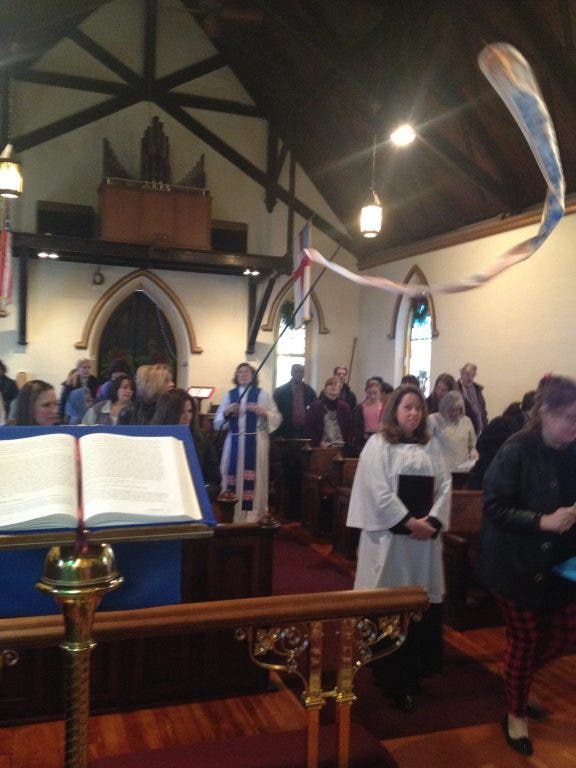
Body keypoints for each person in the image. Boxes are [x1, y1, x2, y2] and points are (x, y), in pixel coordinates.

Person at [478, 375, 576, 756]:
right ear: (546, 412)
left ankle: (516, 679)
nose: (574, 428)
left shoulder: (572, 449)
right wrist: (541, 521)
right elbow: (494, 506)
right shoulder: (517, 448)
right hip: (515, 563)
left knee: (565, 633)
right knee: (525, 641)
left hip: (561, 561)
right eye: (569, 419)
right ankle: (515, 714)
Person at [346, 384, 451, 712]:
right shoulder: (378, 445)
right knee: (390, 604)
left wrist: (432, 521)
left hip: (422, 545)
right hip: (390, 543)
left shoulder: (431, 446)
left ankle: (415, 671)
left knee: (418, 605)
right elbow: (377, 491)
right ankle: (389, 674)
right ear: (394, 410)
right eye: (407, 407)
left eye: (418, 408)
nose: (414, 413)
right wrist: (409, 521)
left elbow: (446, 485)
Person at [213, 363, 281, 523]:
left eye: (247, 372)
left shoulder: (263, 395)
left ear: (253, 375)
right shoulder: (229, 396)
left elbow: (276, 417)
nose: (243, 374)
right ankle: (232, 514)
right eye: (240, 372)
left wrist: (264, 413)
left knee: (256, 477)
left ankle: (253, 516)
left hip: (256, 441)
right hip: (234, 441)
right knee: (231, 476)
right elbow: (217, 423)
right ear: (236, 376)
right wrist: (227, 411)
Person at [151, 388, 221, 497]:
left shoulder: (201, 440)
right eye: (181, 412)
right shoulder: (153, 440)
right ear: (168, 413)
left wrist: (199, 492)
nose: (187, 417)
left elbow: (215, 482)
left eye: (189, 411)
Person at [468, 391, 536, 490]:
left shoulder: (516, 424)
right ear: (534, 409)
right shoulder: (508, 425)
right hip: (488, 482)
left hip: (491, 480)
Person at [428, 390, 478, 471]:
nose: (456, 413)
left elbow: (472, 445)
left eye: (459, 409)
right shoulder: (433, 420)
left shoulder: (466, 421)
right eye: (452, 409)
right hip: (440, 470)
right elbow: (426, 445)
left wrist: (473, 452)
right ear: (445, 407)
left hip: (462, 470)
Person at [304, 376, 354, 450]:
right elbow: (308, 428)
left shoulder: (345, 407)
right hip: (321, 448)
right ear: (325, 390)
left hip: (341, 447)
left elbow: (349, 428)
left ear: (339, 391)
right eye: (330, 384)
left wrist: (347, 443)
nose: (333, 387)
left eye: (336, 385)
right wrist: (318, 442)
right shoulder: (315, 406)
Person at [273, 363, 316, 438]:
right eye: (296, 371)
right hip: (286, 431)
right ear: (291, 373)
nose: (299, 374)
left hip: (305, 431)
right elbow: (275, 413)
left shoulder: (310, 391)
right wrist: (278, 433)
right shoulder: (280, 391)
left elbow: (315, 411)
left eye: (301, 372)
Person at [354, 377, 386, 452]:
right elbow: (357, 426)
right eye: (370, 393)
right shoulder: (360, 407)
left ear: (380, 392)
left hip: (380, 440)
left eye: (375, 393)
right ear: (366, 392)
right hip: (364, 441)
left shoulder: (384, 407)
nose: (372, 396)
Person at [457, 363, 488, 435]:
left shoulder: (477, 390)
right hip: (463, 430)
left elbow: (483, 411)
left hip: (479, 430)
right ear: (461, 374)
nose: (470, 378)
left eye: (473, 375)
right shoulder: (455, 389)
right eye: (467, 374)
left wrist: (485, 427)